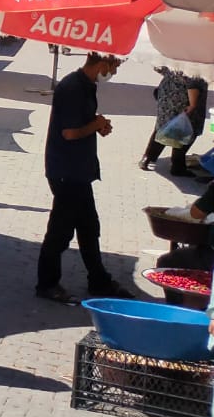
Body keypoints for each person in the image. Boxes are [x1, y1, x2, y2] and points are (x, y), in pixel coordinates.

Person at [38, 53, 133, 303]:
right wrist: (96, 124)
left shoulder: (87, 86)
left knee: (89, 227)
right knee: (60, 231)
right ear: (103, 63)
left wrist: (98, 126)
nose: (114, 71)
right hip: (66, 172)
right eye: (114, 66)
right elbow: (69, 133)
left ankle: (99, 280)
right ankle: (47, 283)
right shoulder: (72, 87)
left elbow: (81, 123)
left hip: (79, 170)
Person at [141, 66, 207, 176]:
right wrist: (193, 104)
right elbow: (193, 81)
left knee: (164, 127)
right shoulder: (196, 56)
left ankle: (148, 158)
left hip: (168, 93)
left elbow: (159, 67)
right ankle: (177, 166)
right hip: (185, 99)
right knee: (185, 130)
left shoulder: (175, 52)